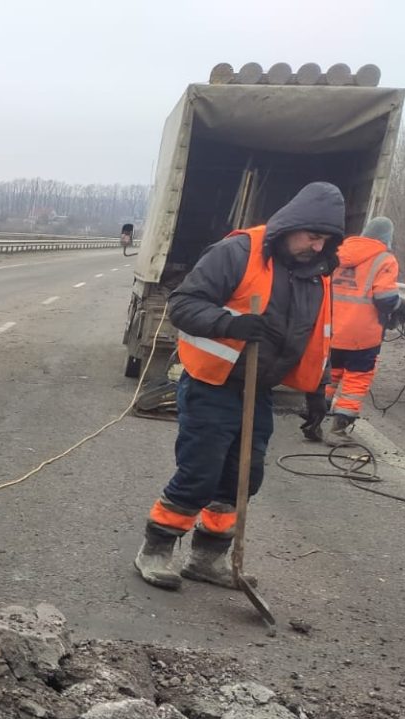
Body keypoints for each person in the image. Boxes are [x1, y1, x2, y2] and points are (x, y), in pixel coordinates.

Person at [134, 182, 345, 591]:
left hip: (256, 389)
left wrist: (317, 388)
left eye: (325, 241)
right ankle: (156, 549)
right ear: (292, 225)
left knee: (243, 477)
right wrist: (229, 324)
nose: (317, 248)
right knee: (200, 473)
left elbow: (316, 334)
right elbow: (183, 305)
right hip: (212, 382)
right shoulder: (238, 253)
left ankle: (206, 558)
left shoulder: (314, 274)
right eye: (312, 237)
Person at [303, 216, 405, 444]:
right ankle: (337, 430)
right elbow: (385, 298)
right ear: (387, 238)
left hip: (331, 330)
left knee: (331, 376)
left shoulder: (339, 251)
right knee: (356, 381)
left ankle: (315, 421)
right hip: (363, 335)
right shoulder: (384, 259)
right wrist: (400, 306)